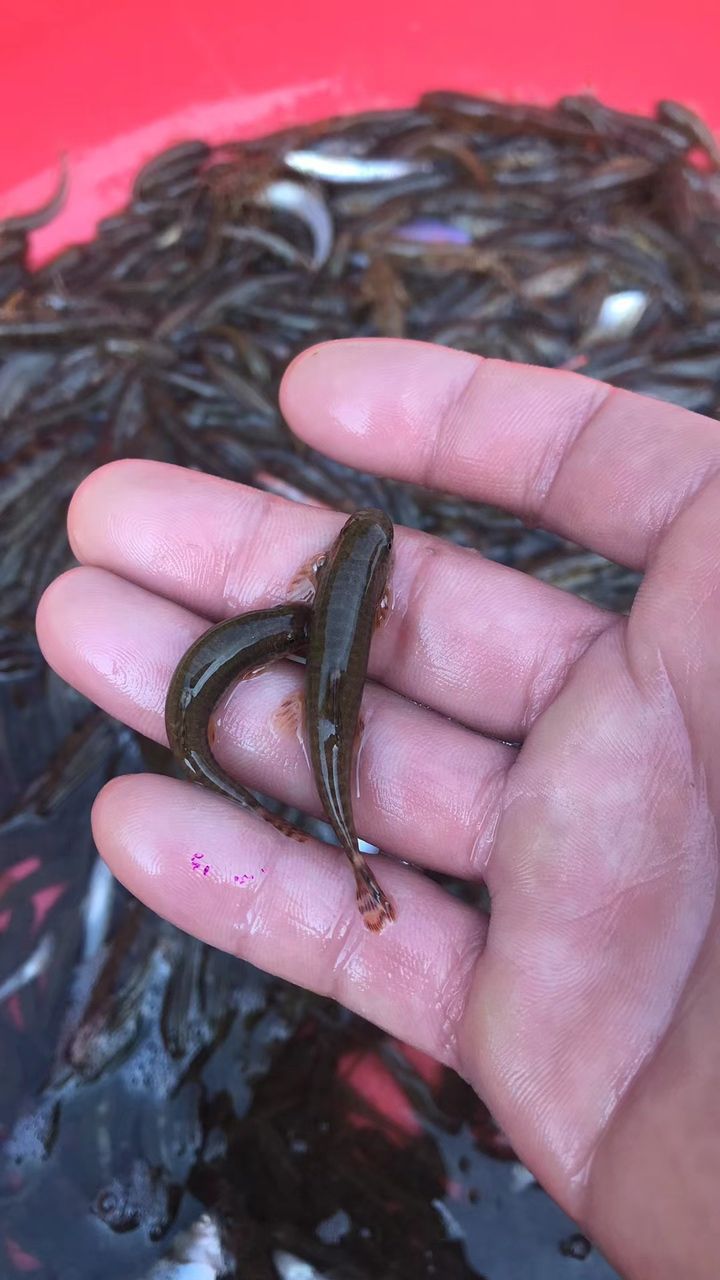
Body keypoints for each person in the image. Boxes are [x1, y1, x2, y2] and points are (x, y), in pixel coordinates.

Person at [36, 338, 719, 1279]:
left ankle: (318, 839)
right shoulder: (327, 627)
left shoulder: (319, 620)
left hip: (315, 681)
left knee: (301, 740)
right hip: (314, 683)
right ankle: (321, 842)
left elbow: (330, 627)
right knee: (297, 736)